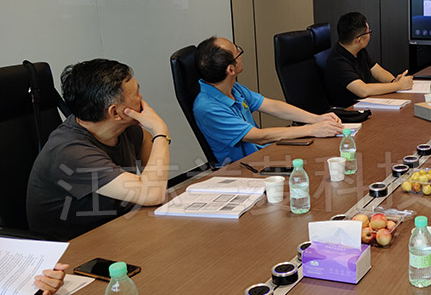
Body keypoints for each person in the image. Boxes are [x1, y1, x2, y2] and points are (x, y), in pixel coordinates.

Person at [27, 59, 171, 240]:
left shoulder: (122, 128)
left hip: (116, 228)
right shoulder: (70, 151)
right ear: (115, 112)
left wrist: (151, 181)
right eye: (136, 94)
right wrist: (160, 131)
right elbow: (152, 193)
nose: (141, 99)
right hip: (74, 246)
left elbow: (149, 156)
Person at [193, 36, 342, 164]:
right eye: (237, 52)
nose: (240, 52)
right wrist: (311, 129)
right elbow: (259, 137)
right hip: (244, 167)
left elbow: (272, 106)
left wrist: (316, 119)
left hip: (263, 154)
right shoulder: (207, 108)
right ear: (231, 70)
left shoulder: (233, 88)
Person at [325, 12, 413, 107]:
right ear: (358, 40)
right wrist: (399, 85)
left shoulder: (358, 49)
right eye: (368, 32)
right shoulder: (338, 61)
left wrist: (393, 81)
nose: (369, 34)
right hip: (350, 109)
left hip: (366, 103)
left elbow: (377, 71)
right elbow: (363, 90)